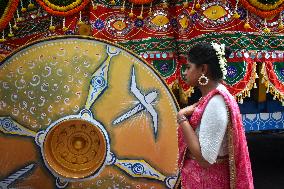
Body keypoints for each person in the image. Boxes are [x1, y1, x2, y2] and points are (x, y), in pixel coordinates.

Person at [176, 42, 254, 189]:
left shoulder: (216, 102)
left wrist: (181, 117)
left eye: (188, 67)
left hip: (208, 182)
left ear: (203, 69)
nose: (185, 72)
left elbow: (205, 159)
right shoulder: (213, 97)